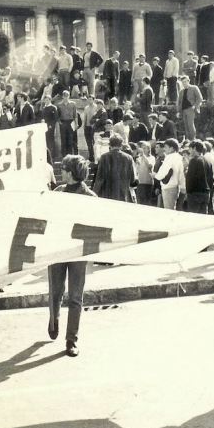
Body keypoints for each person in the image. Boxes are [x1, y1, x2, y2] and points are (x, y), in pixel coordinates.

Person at [47, 154, 97, 358]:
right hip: (57, 249)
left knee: (75, 296)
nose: (61, 172)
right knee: (55, 291)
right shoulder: (57, 193)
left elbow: (95, 226)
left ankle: (71, 339)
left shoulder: (90, 197)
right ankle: (54, 319)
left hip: (78, 252)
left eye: (64, 169)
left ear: (72, 172)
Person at [93, 133, 137, 202]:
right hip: (123, 194)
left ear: (109, 145)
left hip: (107, 194)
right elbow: (133, 179)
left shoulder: (104, 157)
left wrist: (95, 193)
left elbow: (99, 179)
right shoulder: (129, 158)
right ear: (121, 145)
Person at [154, 138, 184, 210]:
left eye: (166, 147)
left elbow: (162, 173)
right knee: (172, 209)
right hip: (176, 187)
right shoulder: (179, 157)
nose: (164, 149)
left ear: (172, 148)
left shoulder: (169, 157)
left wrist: (155, 175)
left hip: (168, 187)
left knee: (168, 211)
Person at [185, 140, 212, 214]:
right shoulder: (207, 161)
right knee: (203, 217)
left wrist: (188, 193)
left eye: (190, 149)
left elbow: (190, 179)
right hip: (206, 194)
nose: (189, 151)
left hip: (195, 194)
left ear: (194, 148)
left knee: (193, 217)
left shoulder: (194, 160)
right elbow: (211, 178)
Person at [176, 75, 202, 140]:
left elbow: (200, 98)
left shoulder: (194, 88)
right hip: (183, 110)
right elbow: (179, 102)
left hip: (190, 109)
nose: (184, 83)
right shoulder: (181, 91)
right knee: (186, 126)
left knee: (190, 124)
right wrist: (178, 111)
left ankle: (193, 139)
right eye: (183, 82)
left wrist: (195, 106)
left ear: (188, 81)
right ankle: (188, 140)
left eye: (185, 81)